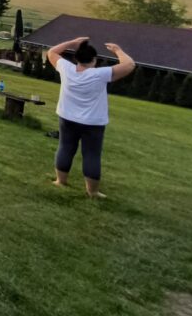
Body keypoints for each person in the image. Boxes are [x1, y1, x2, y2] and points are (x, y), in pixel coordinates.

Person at [47, 37, 135, 199]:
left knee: (65, 147)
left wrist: (73, 43)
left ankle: (60, 181)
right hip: (93, 123)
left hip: (67, 118)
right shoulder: (100, 74)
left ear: (76, 58)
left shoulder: (66, 68)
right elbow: (129, 65)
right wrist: (117, 50)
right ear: (94, 59)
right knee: (91, 154)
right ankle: (92, 192)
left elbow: (52, 52)